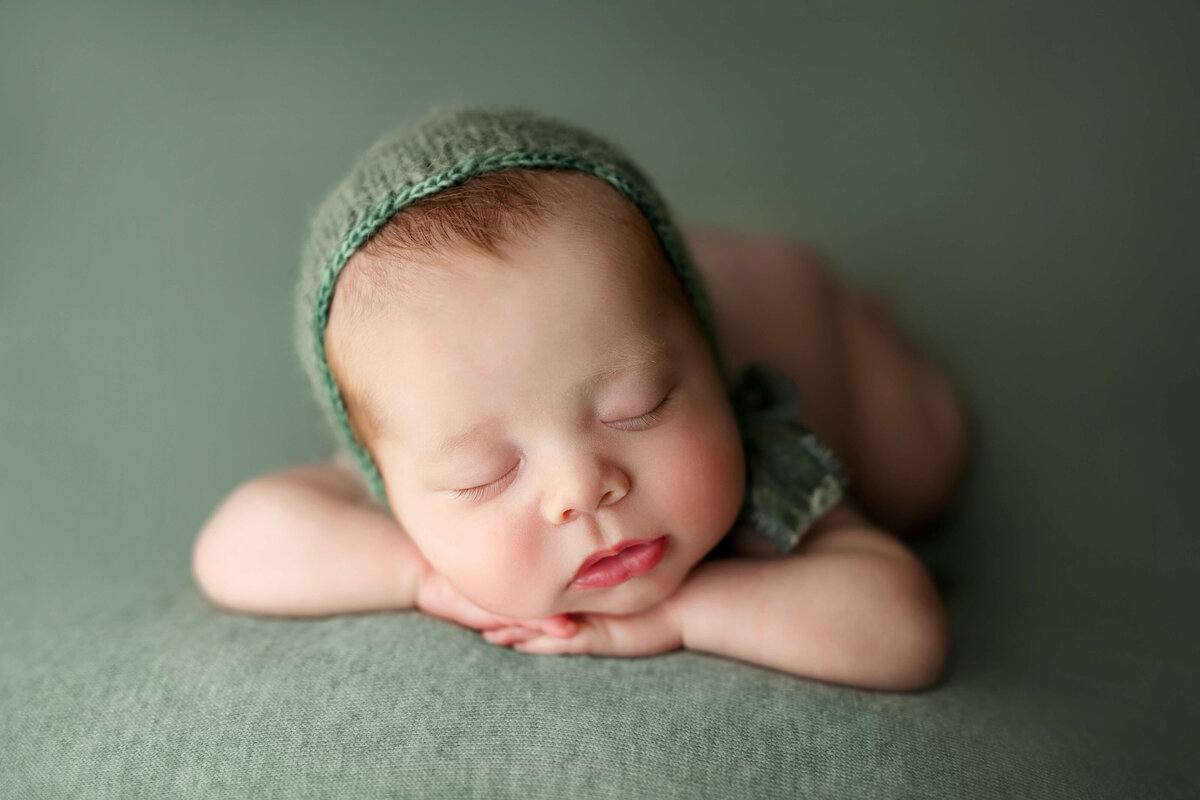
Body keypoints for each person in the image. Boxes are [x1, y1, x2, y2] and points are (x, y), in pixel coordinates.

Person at [191, 107, 972, 691]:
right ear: (385, 475)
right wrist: (421, 575)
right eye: (484, 476)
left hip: (805, 323)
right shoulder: (424, 437)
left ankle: (863, 317)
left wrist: (680, 615)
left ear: (706, 366)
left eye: (638, 406)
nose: (582, 488)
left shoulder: (767, 462)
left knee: (919, 471)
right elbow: (234, 545)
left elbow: (903, 630)